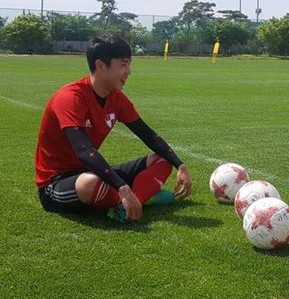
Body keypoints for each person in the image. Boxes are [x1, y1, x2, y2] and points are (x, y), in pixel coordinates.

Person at [34, 34, 192, 221]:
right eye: (123, 65)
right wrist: (122, 187)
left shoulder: (116, 98)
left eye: (129, 64)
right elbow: (83, 150)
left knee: (163, 160)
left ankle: (137, 201)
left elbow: (148, 135)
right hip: (58, 182)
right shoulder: (70, 98)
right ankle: (131, 197)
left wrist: (180, 165)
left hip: (94, 172)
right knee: (92, 182)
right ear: (100, 65)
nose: (129, 72)